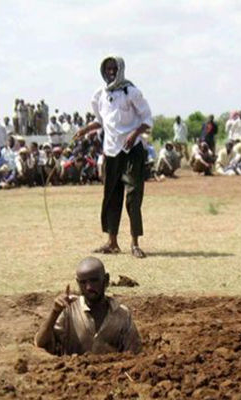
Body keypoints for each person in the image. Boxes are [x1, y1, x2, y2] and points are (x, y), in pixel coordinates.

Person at [73, 56, 153, 258]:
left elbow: (147, 120)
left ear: (120, 69)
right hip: (111, 152)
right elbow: (101, 121)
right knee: (111, 196)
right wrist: (85, 130)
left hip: (131, 150)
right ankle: (112, 242)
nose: (110, 72)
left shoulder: (131, 92)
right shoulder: (99, 95)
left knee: (133, 197)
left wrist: (133, 134)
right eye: (107, 69)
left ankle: (135, 243)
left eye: (114, 68)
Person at [34, 257, 142, 356]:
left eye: (94, 280)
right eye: (83, 282)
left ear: (106, 280)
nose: (89, 287)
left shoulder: (122, 314)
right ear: (77, 283)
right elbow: (41, 343)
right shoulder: (69, 311)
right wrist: (55, 312)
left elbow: (135, 353)